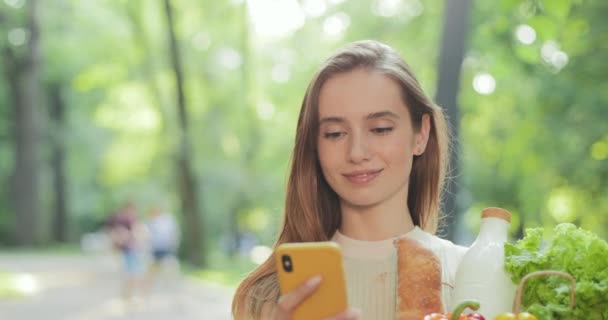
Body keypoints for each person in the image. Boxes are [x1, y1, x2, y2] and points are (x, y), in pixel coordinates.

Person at [232, 40, 467, 320]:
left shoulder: (470, 274)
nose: (357, 153)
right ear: (315, 147)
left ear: (421, 135)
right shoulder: (268, 298)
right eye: (334, 133)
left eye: (380, 129)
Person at [105, 201, 146, 305]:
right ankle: (128, 296)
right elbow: (127, 234)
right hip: (129, 249)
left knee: (131, 273)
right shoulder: (125, 220)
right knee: (132, 273)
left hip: (130, 249)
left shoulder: (121, 219)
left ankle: (128, 295)